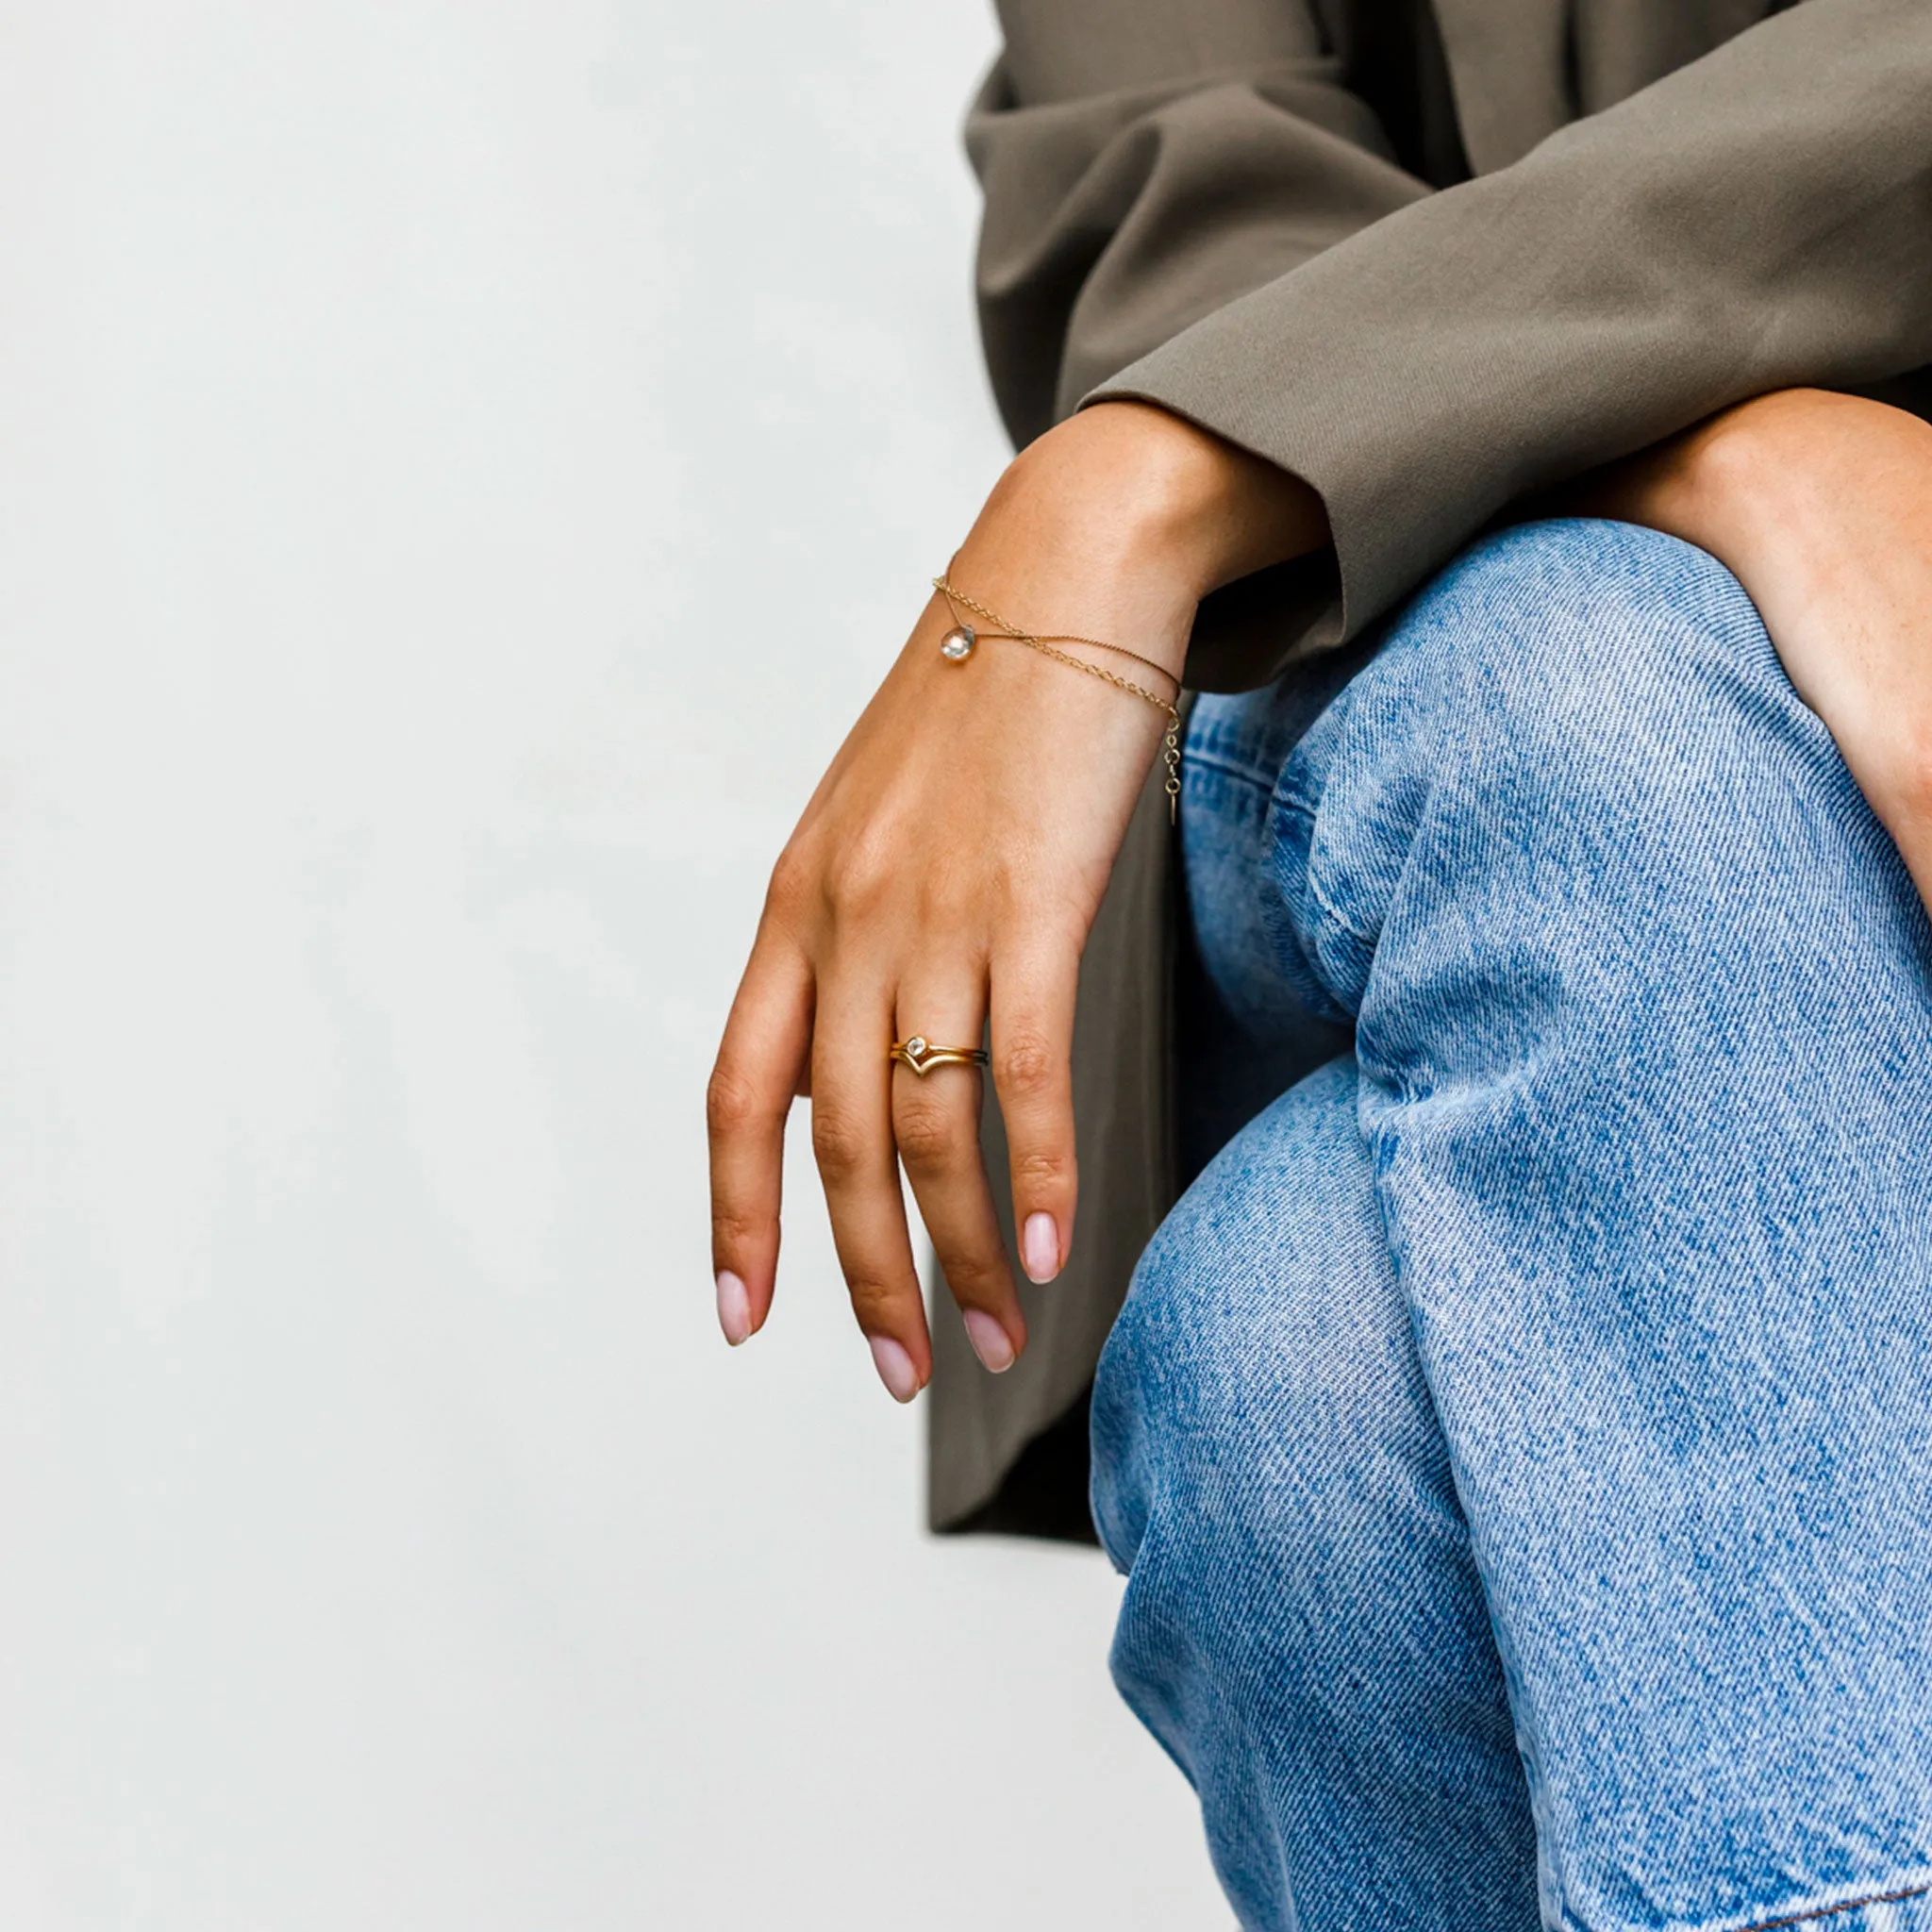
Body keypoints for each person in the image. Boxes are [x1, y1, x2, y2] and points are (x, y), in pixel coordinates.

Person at [708, 2, 1932, 1926]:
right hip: (1432, 648)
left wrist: (1163, 464)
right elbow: (1178, 184)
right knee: (1591, 690)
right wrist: (1721, 441)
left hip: (1520, 585)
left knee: (1291, 1363)